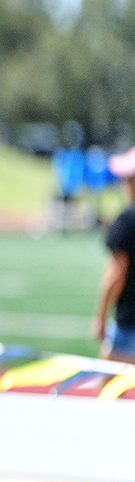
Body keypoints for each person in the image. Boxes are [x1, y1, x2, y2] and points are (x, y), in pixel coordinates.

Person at [95, 146, 135, 362]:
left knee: (108, 387)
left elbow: (117, 272)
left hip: (129, 323)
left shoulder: (127, 221)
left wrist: (100, 316)